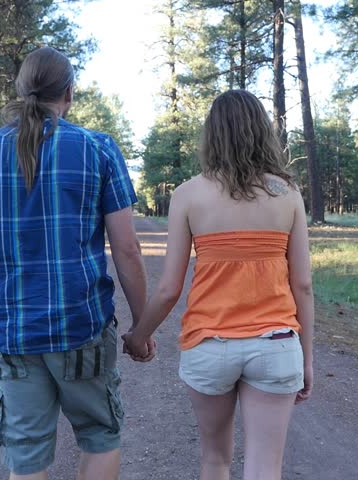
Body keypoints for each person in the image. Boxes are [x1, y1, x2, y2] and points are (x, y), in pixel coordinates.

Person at [0, 46, 153, 480]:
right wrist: (141, 325)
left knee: (26, 453)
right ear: (69, 93)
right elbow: (127, 249)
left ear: (21, 91)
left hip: (14, 334)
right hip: (81, 328)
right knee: (100, 435)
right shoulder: (98, 149)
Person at [123, 89, 315, 480]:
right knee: (265, 467)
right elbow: (304, 285)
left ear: (212, 135)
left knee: (215, 460)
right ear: (263, 132)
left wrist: (139, 335)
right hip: (276, 344)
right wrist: (306, 359)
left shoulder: (188, 195)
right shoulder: (288, 194)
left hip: (209, 346)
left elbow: (169, 288)